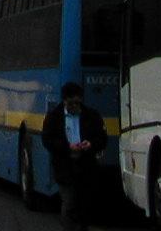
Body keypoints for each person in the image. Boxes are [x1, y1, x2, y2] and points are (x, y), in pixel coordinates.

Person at [42, 81, 109, 231]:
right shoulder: (54, 117)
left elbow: (102, 138)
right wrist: (67, 147)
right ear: (64, 101)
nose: (74, 106)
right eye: (71, 103)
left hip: (86, 165)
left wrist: (90, 144)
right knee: (69, 201)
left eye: (77, 103)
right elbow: (47, 140)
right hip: (64, 166)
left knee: (84, 204)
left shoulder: (92, 116)